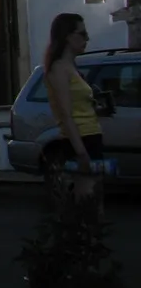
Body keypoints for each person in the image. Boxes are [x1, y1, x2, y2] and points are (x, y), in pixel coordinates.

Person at [43, 12, 100, 176]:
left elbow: (77, 107)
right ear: (67, 36)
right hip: (80, 139)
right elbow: (66, 115)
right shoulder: (59, 68)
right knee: (87, 195)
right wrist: (81, 153)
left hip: (90, 135)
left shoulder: (72, 67)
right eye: (82, 34)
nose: (87, 39)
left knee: (94, 195)